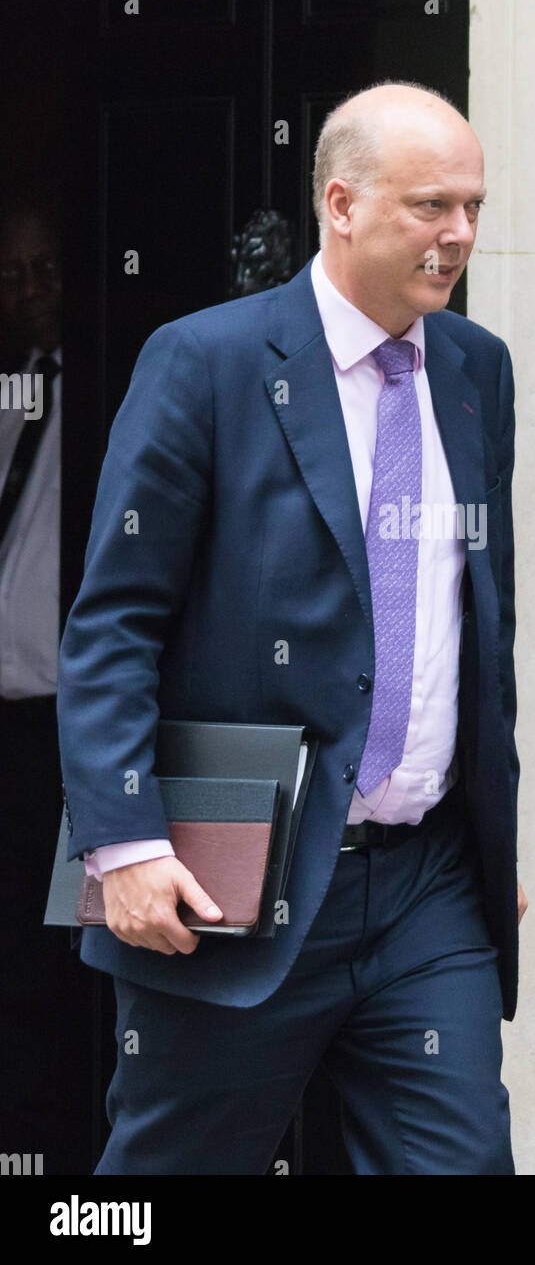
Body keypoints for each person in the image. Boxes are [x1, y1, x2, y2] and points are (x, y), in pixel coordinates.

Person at [57, 81, 525, 1175]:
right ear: (341, 203)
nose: (457, 233)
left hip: (425, 889)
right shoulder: (206, 364)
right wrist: (122, 843)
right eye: (430, 206)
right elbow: (115, 622)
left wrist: (492, 822)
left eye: (472, 206)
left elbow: (474, 624)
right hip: (237, 877)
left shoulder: (473, 370)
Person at [0, 190, 91, 1170]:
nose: (31, 290)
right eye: (12, 272)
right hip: (9, 726)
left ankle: (71, 1148)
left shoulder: (113, 393)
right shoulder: (12, 389)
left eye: (47, 268)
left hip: (77, 729)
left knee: (76, 955)